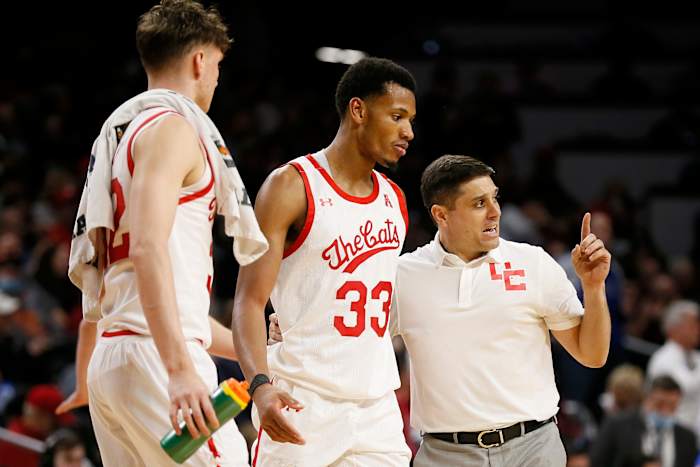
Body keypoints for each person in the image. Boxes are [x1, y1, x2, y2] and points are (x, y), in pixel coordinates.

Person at [66, 1, 267, 466]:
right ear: (200, 61)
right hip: (155, 357)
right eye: (217, 65)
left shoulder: (123, 137)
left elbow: (162, 297)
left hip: (117, 355)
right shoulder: (173, 130)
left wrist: (257, 345)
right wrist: (178, 370)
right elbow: (147, 247)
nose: (216, 78)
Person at [231, 57, 416, 466]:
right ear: (358, 110)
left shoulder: (394, 201)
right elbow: (247, 301)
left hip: (376, 409)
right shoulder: (291, 186)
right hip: (302, 402)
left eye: (411, 120)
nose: (408, 132)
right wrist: (260, 387)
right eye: (398, 116)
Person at [393, 155, 611, 466]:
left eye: (494, 198)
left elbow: (592, 354)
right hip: (445, 454)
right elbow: (356, 348)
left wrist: (593, 288)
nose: (496, 212)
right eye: (479, 203)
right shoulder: (404, 275)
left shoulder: (532, 263)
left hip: (533, 449)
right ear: (441, 215)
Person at [590, 375, 697, 467]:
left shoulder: (687, 438)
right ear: (647, 398)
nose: (665, 411)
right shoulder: (617, 425)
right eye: (660, 404)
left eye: (672, 406)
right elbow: (597, 462)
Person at [646, 300, 700, 433]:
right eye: (693, 325)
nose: (698, 330)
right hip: (672, 432)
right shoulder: (663, 358)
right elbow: (681, 389)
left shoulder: (696, 356)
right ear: (674, 327)